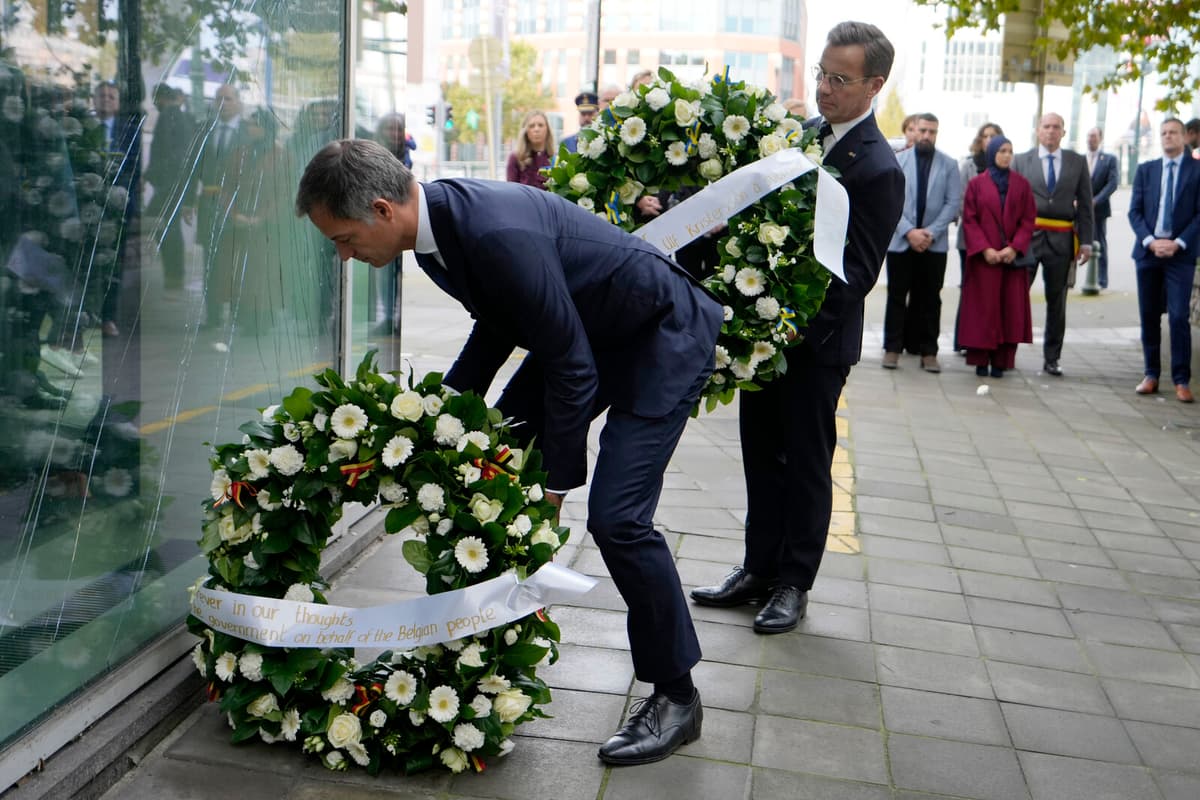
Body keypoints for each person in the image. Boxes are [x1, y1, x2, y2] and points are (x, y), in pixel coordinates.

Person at [296, 138, 722, 765]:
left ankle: (677, 695)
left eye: (344, 239)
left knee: (616, 519)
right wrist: (441, 416)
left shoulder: (491, 231)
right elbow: (496, 322)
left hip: (660, 334)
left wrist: (553, 488)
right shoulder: (434, 236)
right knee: (491, 461)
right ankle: (479, 646)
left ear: (384, 210)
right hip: (586, 332)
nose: (345, 256)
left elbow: (570, 368)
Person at [691, 21, 905, 634]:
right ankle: (757, 567)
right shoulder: (803, 137)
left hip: (814, 344)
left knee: (807, 462)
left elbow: (855, 273)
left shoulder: (878, 169)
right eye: (821, 73)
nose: (825, 88)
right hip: (765, 337)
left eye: (840, 79)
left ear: (874, 86)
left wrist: (787, 330)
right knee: (761, 455)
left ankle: (793, 583)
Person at [1011, 112, 1093, 376]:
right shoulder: (1021, 160)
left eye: (1056, 127)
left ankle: (1052, 358)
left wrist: (1088, 242)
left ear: (1063, 132)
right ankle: (1007, 351)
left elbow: (1086, 205)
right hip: (1027, 239)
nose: (1051, 131)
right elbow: (1010, 203)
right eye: (1046, 126)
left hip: (1061, 240)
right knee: (1016, 296)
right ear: (1037, 130)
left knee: (1057, 303)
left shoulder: (1077, 162)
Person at [882, 112, 962, 372]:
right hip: (901, 242)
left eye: (932, 132)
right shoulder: (898, 160)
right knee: (896, 296)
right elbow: (890, 200)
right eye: (923, 130)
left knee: (930, 299)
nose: (927, 136)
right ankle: (892, 349)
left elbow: (953, 203)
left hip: (933, 244)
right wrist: (908, 231)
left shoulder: (949, 165)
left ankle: (929, 352)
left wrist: (930, 232)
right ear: (914, 131)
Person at [1128, 118, 1200, 403]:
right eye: (1163, 133)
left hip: (1180, 255)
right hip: (1148, 252)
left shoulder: (1196, 171)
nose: (1167, 137)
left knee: (1179, 315)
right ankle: (1151, 374)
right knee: (1149, 315)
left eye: (1173, 132)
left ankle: (1181, 379)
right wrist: (1151, 241)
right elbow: (1134, 212)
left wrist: (1178, 243)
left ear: (1184, 137)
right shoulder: (1146, 170)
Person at [959, 136, 1036, 377]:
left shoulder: (1022, 185)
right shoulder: (976, 184)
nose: (1006, 155)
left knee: (1009, 310)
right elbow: (969, 220)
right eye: (1002, 151)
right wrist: (985, 249)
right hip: (985, 261)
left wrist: (1014, 248)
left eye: (1009, 151)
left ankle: (1002, 361)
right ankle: (981, 360)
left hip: (1011, 260)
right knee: (983, 310)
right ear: (992, 153)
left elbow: (1028, 220)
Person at [184, 84, 248, 331]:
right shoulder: (204, 131)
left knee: (236, 261)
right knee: (211, 261)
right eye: (219, 99)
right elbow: (193, 168)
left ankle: (238, 315)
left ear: (239, 103)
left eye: (228, 99)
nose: (223, 103)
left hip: (239, 206)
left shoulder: (247, 132)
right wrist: (188, 201)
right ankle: (212, 317)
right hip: (210, 204)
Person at [953, 122, 1003, 352]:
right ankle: (963, 340)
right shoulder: (969, 166)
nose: (990, 140)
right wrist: (982, 233)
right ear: (979, 140)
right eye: (986, 136)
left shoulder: (1006, 168)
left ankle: (987, 340)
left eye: (994, 136)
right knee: (970, 288)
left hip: (998, 242)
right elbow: (963, 202)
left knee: (992, 293)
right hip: (971, 239)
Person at [146, 85, 195, 295]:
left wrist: (148, 176)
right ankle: (175, 274)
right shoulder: (184, 118)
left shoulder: (167, 116)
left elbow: (163, 151)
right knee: (167, 225)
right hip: (178, 181)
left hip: (168, 182)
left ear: (160, 98)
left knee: (158, 224)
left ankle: (174, 273)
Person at [1086, 127, 1119, 290]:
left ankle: (1102, 280)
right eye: (1088, 136)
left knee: (1099, 243)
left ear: (1100, 138)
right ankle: (1068, 281)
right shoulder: (1079, 159)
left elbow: (1113, 183)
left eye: (1093, 136)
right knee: (1069, 244)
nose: (1090, 139)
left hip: (1098, 210)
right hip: (1078, 209)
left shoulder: (1109, 159)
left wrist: (1096, 200)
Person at [505, 110, 553, 189]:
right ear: (525, 131)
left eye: (540, 125)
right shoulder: (515, 158)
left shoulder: (554, 159)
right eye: (531, 126)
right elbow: (511, 191)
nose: (536, 129)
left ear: (547, 129)